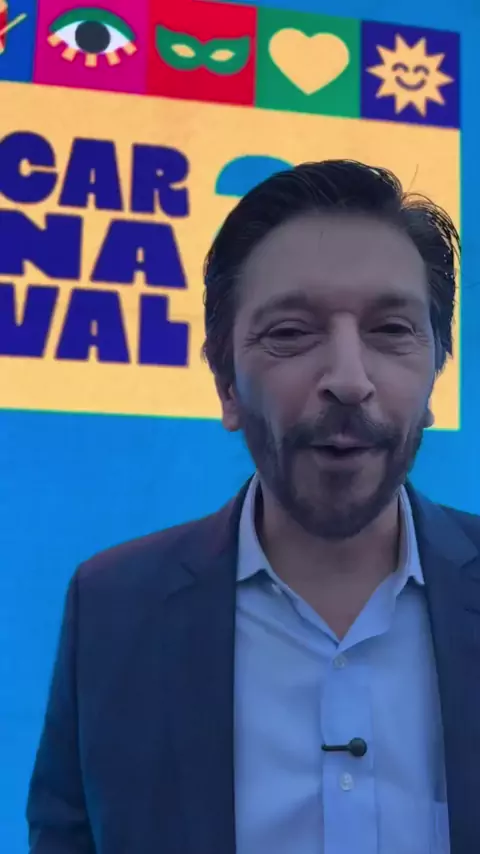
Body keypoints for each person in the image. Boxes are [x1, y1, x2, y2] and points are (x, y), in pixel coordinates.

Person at [27, 160, 480, 854]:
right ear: (227, 385)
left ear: (436, 374)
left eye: (391, 329)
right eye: (290, 333)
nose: (349, 380)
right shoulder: (114, 610)